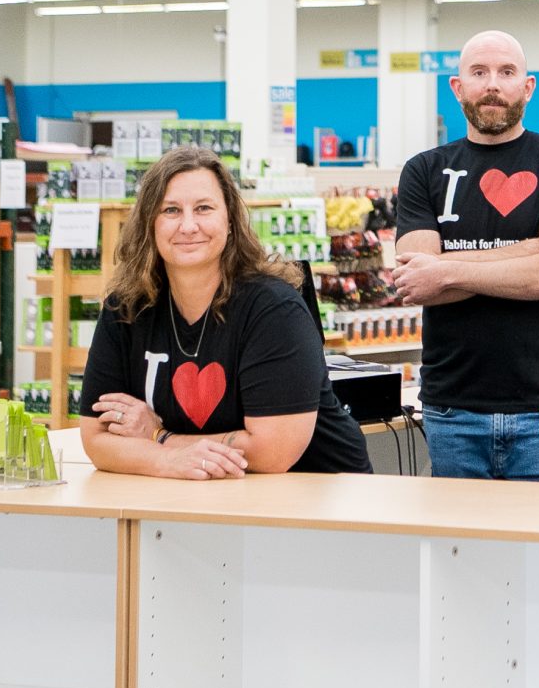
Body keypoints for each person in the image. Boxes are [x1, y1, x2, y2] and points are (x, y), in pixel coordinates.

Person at [79, 145, 371, 478]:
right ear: (150, 224)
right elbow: (96, 438)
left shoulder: (274, 310)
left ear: (230, 220)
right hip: (204, 495)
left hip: (321, 497)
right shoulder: (126, 308)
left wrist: (158, 437)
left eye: (203, 208)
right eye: (171, 210)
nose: (188, 226)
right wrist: (165, 460)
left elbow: (272, 454)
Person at [388, 30, 539, 480]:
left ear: (528, 86)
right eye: (479, 73)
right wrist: (531, 252)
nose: (492, 85)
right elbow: (418, 284)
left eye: (506, 72)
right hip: (451, 411)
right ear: (457, 87)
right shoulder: (424, 170)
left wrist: (448, 267)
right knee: (460, 550)